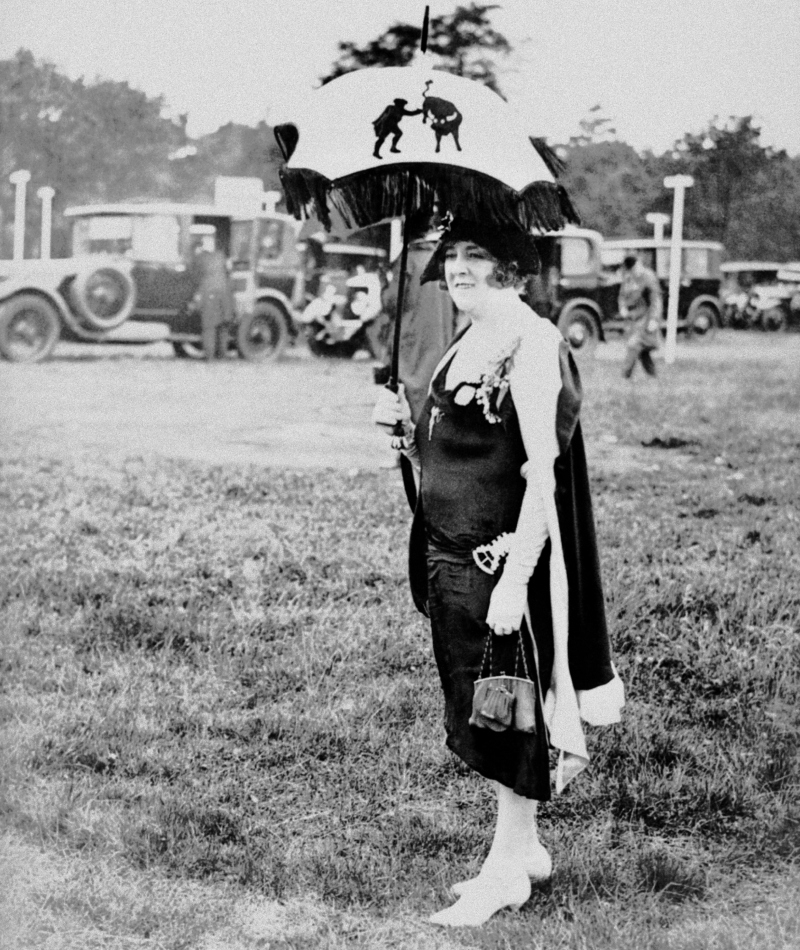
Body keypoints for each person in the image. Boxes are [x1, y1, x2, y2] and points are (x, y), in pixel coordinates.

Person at [372, 218, 624, 928]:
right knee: (483, 703)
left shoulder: (534, 342)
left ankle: (505, 870)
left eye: (477, 256)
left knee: (509, 709)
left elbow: (542, 476)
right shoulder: (467, 339)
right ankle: (528, 846)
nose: (458, 269)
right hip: (449, 559)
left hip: (498, 564)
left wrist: (516, 578)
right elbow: (452, 461)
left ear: (514, 270)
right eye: (453, 256)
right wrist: (401, 432)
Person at [618, 252, 662, 378]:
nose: (632, 270)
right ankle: (653, 376)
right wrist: (622, 308)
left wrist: (654, 319)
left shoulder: (649, 277)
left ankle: (625, 376)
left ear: (639, 264)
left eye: (634, 266)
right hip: (633, 319)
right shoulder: (628, 277)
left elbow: (656, 300)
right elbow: (622, 295)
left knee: (633, 345)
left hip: (645, 319)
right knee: (642, 350)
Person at [194, 249, 234, 360]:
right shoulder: (222, 256)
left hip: (209, 292)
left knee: (209, 327)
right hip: (224, 293)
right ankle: (222, 355)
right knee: (223, 326)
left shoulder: (202, 258)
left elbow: (196, 275)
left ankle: (209, 356)